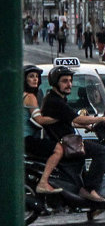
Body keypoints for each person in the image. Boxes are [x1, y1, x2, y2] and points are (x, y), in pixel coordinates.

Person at [39, 66, 105, 203]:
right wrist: (101, 119)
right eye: (64, 81)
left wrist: (87, 126)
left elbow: (66, 120)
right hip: (67, 143)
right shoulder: (55, 101)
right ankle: (89, 190)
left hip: (66, 139)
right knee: (101, 151)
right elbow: (76, 118)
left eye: (70, 81)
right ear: (56, 83)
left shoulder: (57, 99)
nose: (69, 84)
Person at [23, 67, 64, 195]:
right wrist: (60, 118)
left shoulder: (24, 95)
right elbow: (39, 120)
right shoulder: (30, 97)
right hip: (26, 139)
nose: (35, 79)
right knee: (58, 149)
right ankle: (43, 183)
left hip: (24, 138)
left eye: (36, 76)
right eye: (31, 76)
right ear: (24, 79)